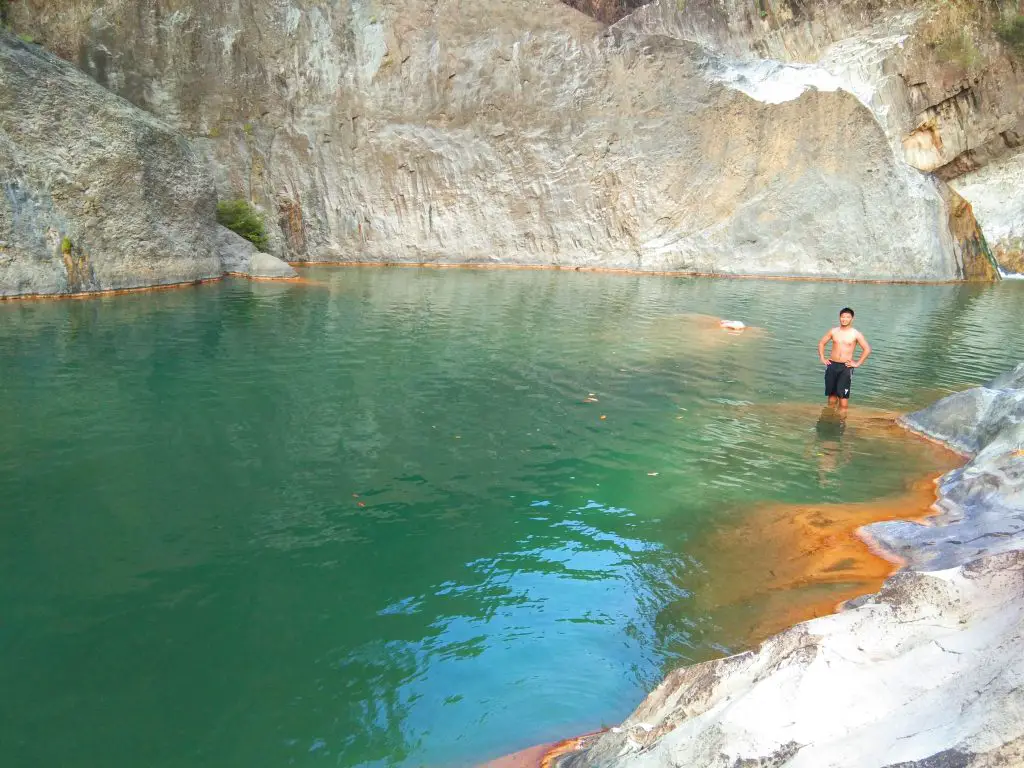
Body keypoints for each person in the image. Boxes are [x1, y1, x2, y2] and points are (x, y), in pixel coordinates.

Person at [817, 307, 871, 411]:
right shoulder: (833, 331)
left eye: (847, 317)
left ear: (852, 319)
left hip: (846, 367)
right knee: (831, 396)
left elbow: (867, 349)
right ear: (839, 317)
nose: (844, 319)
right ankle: (830, 418)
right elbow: (822, 343)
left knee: (843, 398)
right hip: (832, 365)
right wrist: (822, 357)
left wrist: (857, 363)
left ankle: (841, 422)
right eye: (843, 317)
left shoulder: (855, 333)